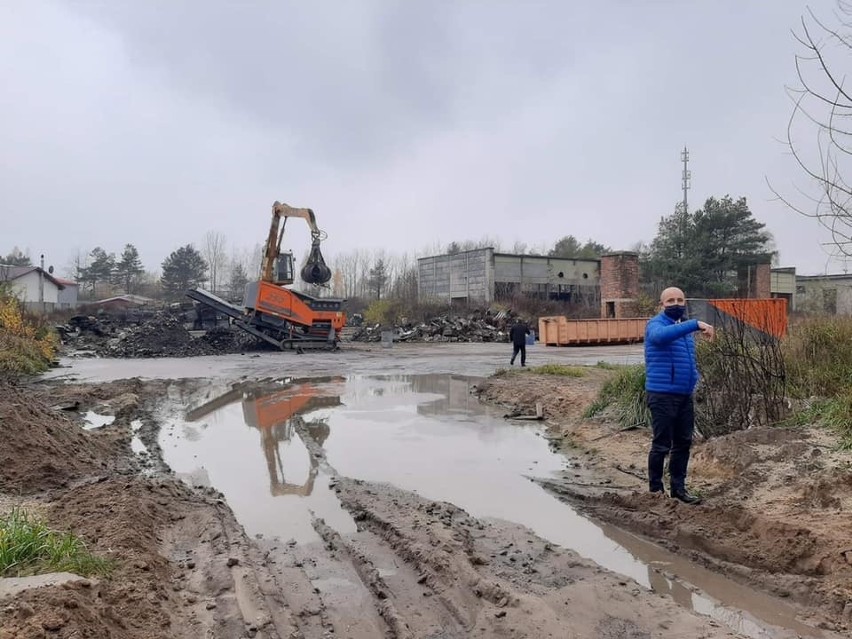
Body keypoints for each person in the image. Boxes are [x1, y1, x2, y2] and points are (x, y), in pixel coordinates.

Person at [644, 287, 714, 505]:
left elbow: (688, 360)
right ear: (662, 304)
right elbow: (659, 337)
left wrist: (694, 378)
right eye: (670, 300)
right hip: (662, 395)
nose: (676, 304)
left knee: (683, 443)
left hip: (684, 396)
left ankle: (678, 489)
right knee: (661, 445)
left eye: (680, 300)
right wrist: (694, 324)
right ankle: (655, 491)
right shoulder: (656, 325)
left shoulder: (682, 330)